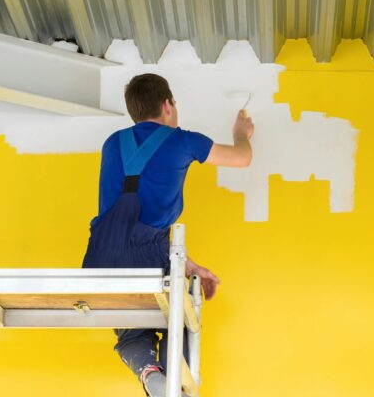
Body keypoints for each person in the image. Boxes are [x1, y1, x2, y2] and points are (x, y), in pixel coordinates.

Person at [81, 73, 254, 397]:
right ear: (168, 105)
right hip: (147, 255)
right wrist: (241, 133)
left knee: (133, 330)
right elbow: (242, 158)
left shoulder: (112, 143)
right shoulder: (183, 141)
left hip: (100, 257)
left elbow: (131, 229)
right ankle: (175, 386)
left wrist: (191, 266)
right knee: (183, 316)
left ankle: (150, 374)